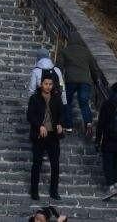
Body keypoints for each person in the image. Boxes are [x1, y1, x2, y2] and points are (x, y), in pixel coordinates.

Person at [27, 71, 65, 200]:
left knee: (55, 164)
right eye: (46, 84)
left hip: (53, 135)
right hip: (39, 135)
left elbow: (61, 113)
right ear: (41, 84)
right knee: (36, 163)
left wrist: (60, 123)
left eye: (50, 84)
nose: (48, 86)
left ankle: (54, 191)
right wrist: (39, 126)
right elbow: (30, 115)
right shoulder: (35, 98)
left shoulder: (56, 97)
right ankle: (34, 191)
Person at [56, 34, 92, 135]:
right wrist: (96, 79)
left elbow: (59, 66)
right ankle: (88, 122)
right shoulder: (86, 52)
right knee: (84, 102)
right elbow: (93, 68)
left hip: (70, 80)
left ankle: (69, 125)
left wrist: (57, 80)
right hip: (85, 81)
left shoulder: (65, 51)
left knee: (67, 101)